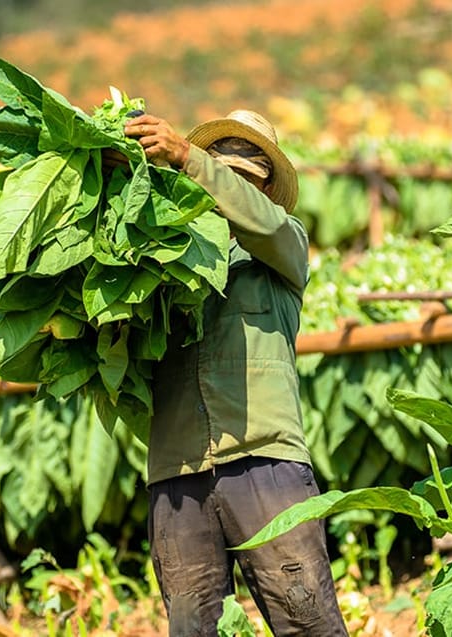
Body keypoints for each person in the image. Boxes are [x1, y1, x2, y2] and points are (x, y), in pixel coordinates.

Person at [123, 110, 349, 636]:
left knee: (307, 621)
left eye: (241, 181)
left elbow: (263, 225)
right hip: (177, 472)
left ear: (265, 189)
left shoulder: (282, 246)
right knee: (193, 630)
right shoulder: (168, 258)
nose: (225, 194)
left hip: (263, 459)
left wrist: (186, 157)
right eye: (217, 175)